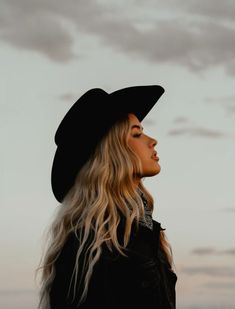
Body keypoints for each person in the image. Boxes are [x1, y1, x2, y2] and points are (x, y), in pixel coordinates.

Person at [36, 85, 177, 309]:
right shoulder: (90, 243)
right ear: (113, 152)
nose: (152, 140)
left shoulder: (145, 231)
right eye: (137, 134)